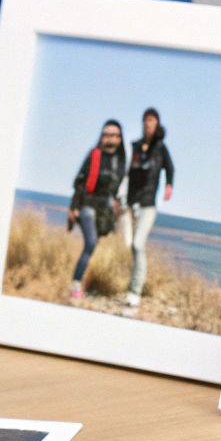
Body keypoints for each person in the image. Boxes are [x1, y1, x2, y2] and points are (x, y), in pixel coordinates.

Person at [120, 107, 176, 308]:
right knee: (127, 245)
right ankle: (129, 284)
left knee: (137, 245)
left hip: (148, 205)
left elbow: (170, 168)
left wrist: (169, 185)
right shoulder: (134, 147)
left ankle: (135, 292)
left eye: (152, 120)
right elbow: (124, 170)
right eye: (146, 120)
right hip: (130, 204)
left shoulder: (160, 148)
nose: (148, 123)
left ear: (157, 123)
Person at [67, 119, 126, 299]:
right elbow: (79, 181)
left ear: (119, 138)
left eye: (113, 135)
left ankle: (83, 281)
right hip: (87, 204)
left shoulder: (121, 160)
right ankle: (75, 285)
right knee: (90, 242)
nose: (109, 138)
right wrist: (74, 207)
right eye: (106, 134)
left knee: (92, 247)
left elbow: (118, 189)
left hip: (105, 211)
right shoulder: (94, 155)